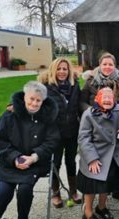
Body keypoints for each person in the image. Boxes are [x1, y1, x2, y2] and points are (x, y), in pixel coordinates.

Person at [0, 81, 60, 219]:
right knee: (3, 192)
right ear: (24, 97)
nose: (34, 103)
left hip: (34, 163)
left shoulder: (48, 118)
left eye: (38, 100)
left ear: (43, 101)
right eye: (31, 99)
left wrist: (33, 157)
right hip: (10, 163)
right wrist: (15, 157)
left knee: (25, 189)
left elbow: (52, 141)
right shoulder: (10, 114)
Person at [80, 52, 119, 202]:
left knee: (116, 155)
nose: (107, 67)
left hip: (116, 122)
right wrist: (91, 113)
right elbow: (82, 101)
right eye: (104, 64)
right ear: (99, 65)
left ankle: (116, 190)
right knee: (100, 155)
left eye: (110, 64)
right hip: (96, 124)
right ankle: (97, 189)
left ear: (115, 66)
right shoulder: (91, 81)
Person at [77, 87, 119, 219]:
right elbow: (84, 138)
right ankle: (88, 213)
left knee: (107, 184)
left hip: (113, 154)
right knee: (91, 185)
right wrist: (92, 159)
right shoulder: (88, 114)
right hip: (95, 154)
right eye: (104, 97)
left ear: (114, 99)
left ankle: (102, 208)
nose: (108, 100)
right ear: (97, 99)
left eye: (110, 97)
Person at [38, 58, 82, 208]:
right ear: (53, 70)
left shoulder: (75, 85)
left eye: (65, 69)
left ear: (69, 70)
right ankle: (55, 193)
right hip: (54, 133)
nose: (62, 72)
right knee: (55, 162)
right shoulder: (46, 87)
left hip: (72, 131)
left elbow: (80, 104)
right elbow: (31, 98)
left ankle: (73, 191)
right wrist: (14, 104)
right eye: (59, 69)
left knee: (71, 162)